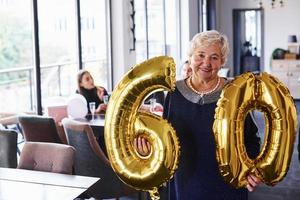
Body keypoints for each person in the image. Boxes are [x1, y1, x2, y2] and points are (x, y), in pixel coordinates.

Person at [135, 30, 261, 199]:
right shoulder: (174, 92)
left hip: (227, 185)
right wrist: (147, 147)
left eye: (214, 57)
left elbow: (252, 138)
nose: (206, 63)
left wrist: (250, 168)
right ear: (190, 57)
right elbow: (165, 139)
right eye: (200, 55)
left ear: (222, 61)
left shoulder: (235, 93)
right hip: (184, 182)